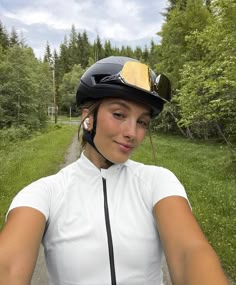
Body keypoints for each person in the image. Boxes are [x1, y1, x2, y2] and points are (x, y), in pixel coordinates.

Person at [0, 56, 229, 285]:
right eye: (119, 114)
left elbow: (189, 253)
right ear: (88, 117)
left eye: (142, 122)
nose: (133, 132)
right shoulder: (43, 193)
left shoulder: (158, 182)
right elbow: (8, 267)